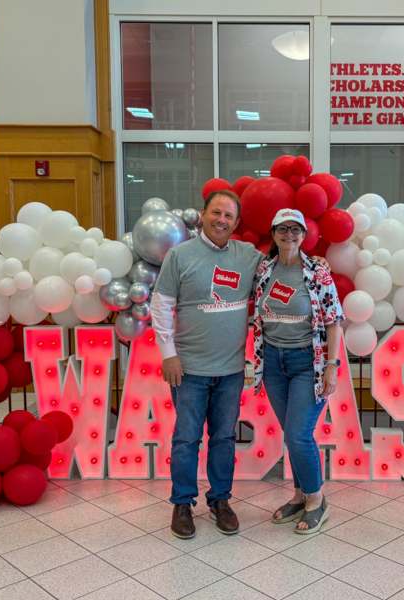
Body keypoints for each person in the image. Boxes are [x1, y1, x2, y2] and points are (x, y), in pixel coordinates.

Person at [151, 189, 262, 539]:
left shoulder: (248, 256)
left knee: (224, 438)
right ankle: (182, 503)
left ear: (237, 223)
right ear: (203, 214)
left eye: (229, 216)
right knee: (186, 439)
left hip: (230, 370)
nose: (222, 220)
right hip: (189, 369)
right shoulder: (180, 256)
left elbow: (285, 264)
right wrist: (168, 353)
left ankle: (220, 501)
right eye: (216, 213)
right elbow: (160, 304)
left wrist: (317, 266)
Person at [252, 208, 344, 534]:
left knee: (298, 434)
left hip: (309, 363)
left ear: (304, 235)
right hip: (274, 363)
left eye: (296, 230)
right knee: (292, 435)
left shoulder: (317, 272)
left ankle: (317, 500)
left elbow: (334, 322)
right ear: (274, 233)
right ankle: (299, 494)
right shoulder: (263, 268)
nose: (289, 235)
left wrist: (331, 367)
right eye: (282, 229)